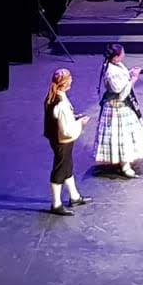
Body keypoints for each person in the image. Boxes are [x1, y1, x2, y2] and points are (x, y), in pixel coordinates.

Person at [43, 68, 93, 215]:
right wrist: (80, 123)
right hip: (62, 140)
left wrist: (73, 117)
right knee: (60, 168)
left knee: (67, 166)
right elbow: (66, 130)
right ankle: (56, 204)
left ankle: (74, 196)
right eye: (70, 79)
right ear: (64, 84)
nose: (72, 81)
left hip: (57, 138)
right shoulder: (61, 103)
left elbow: (59, 119)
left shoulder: (54, 96)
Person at [94, 43, 143, 177]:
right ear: (116, 57)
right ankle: (125, 165)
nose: (124, 54)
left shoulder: (115, 65)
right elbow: (122, 93)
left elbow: (122, 79)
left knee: (126, 135)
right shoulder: (111, 72)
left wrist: (130, 73)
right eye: (122, 53)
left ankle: (124, 162)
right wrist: (134, 78)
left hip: (120, 104)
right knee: (122, 135)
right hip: (117, 107)